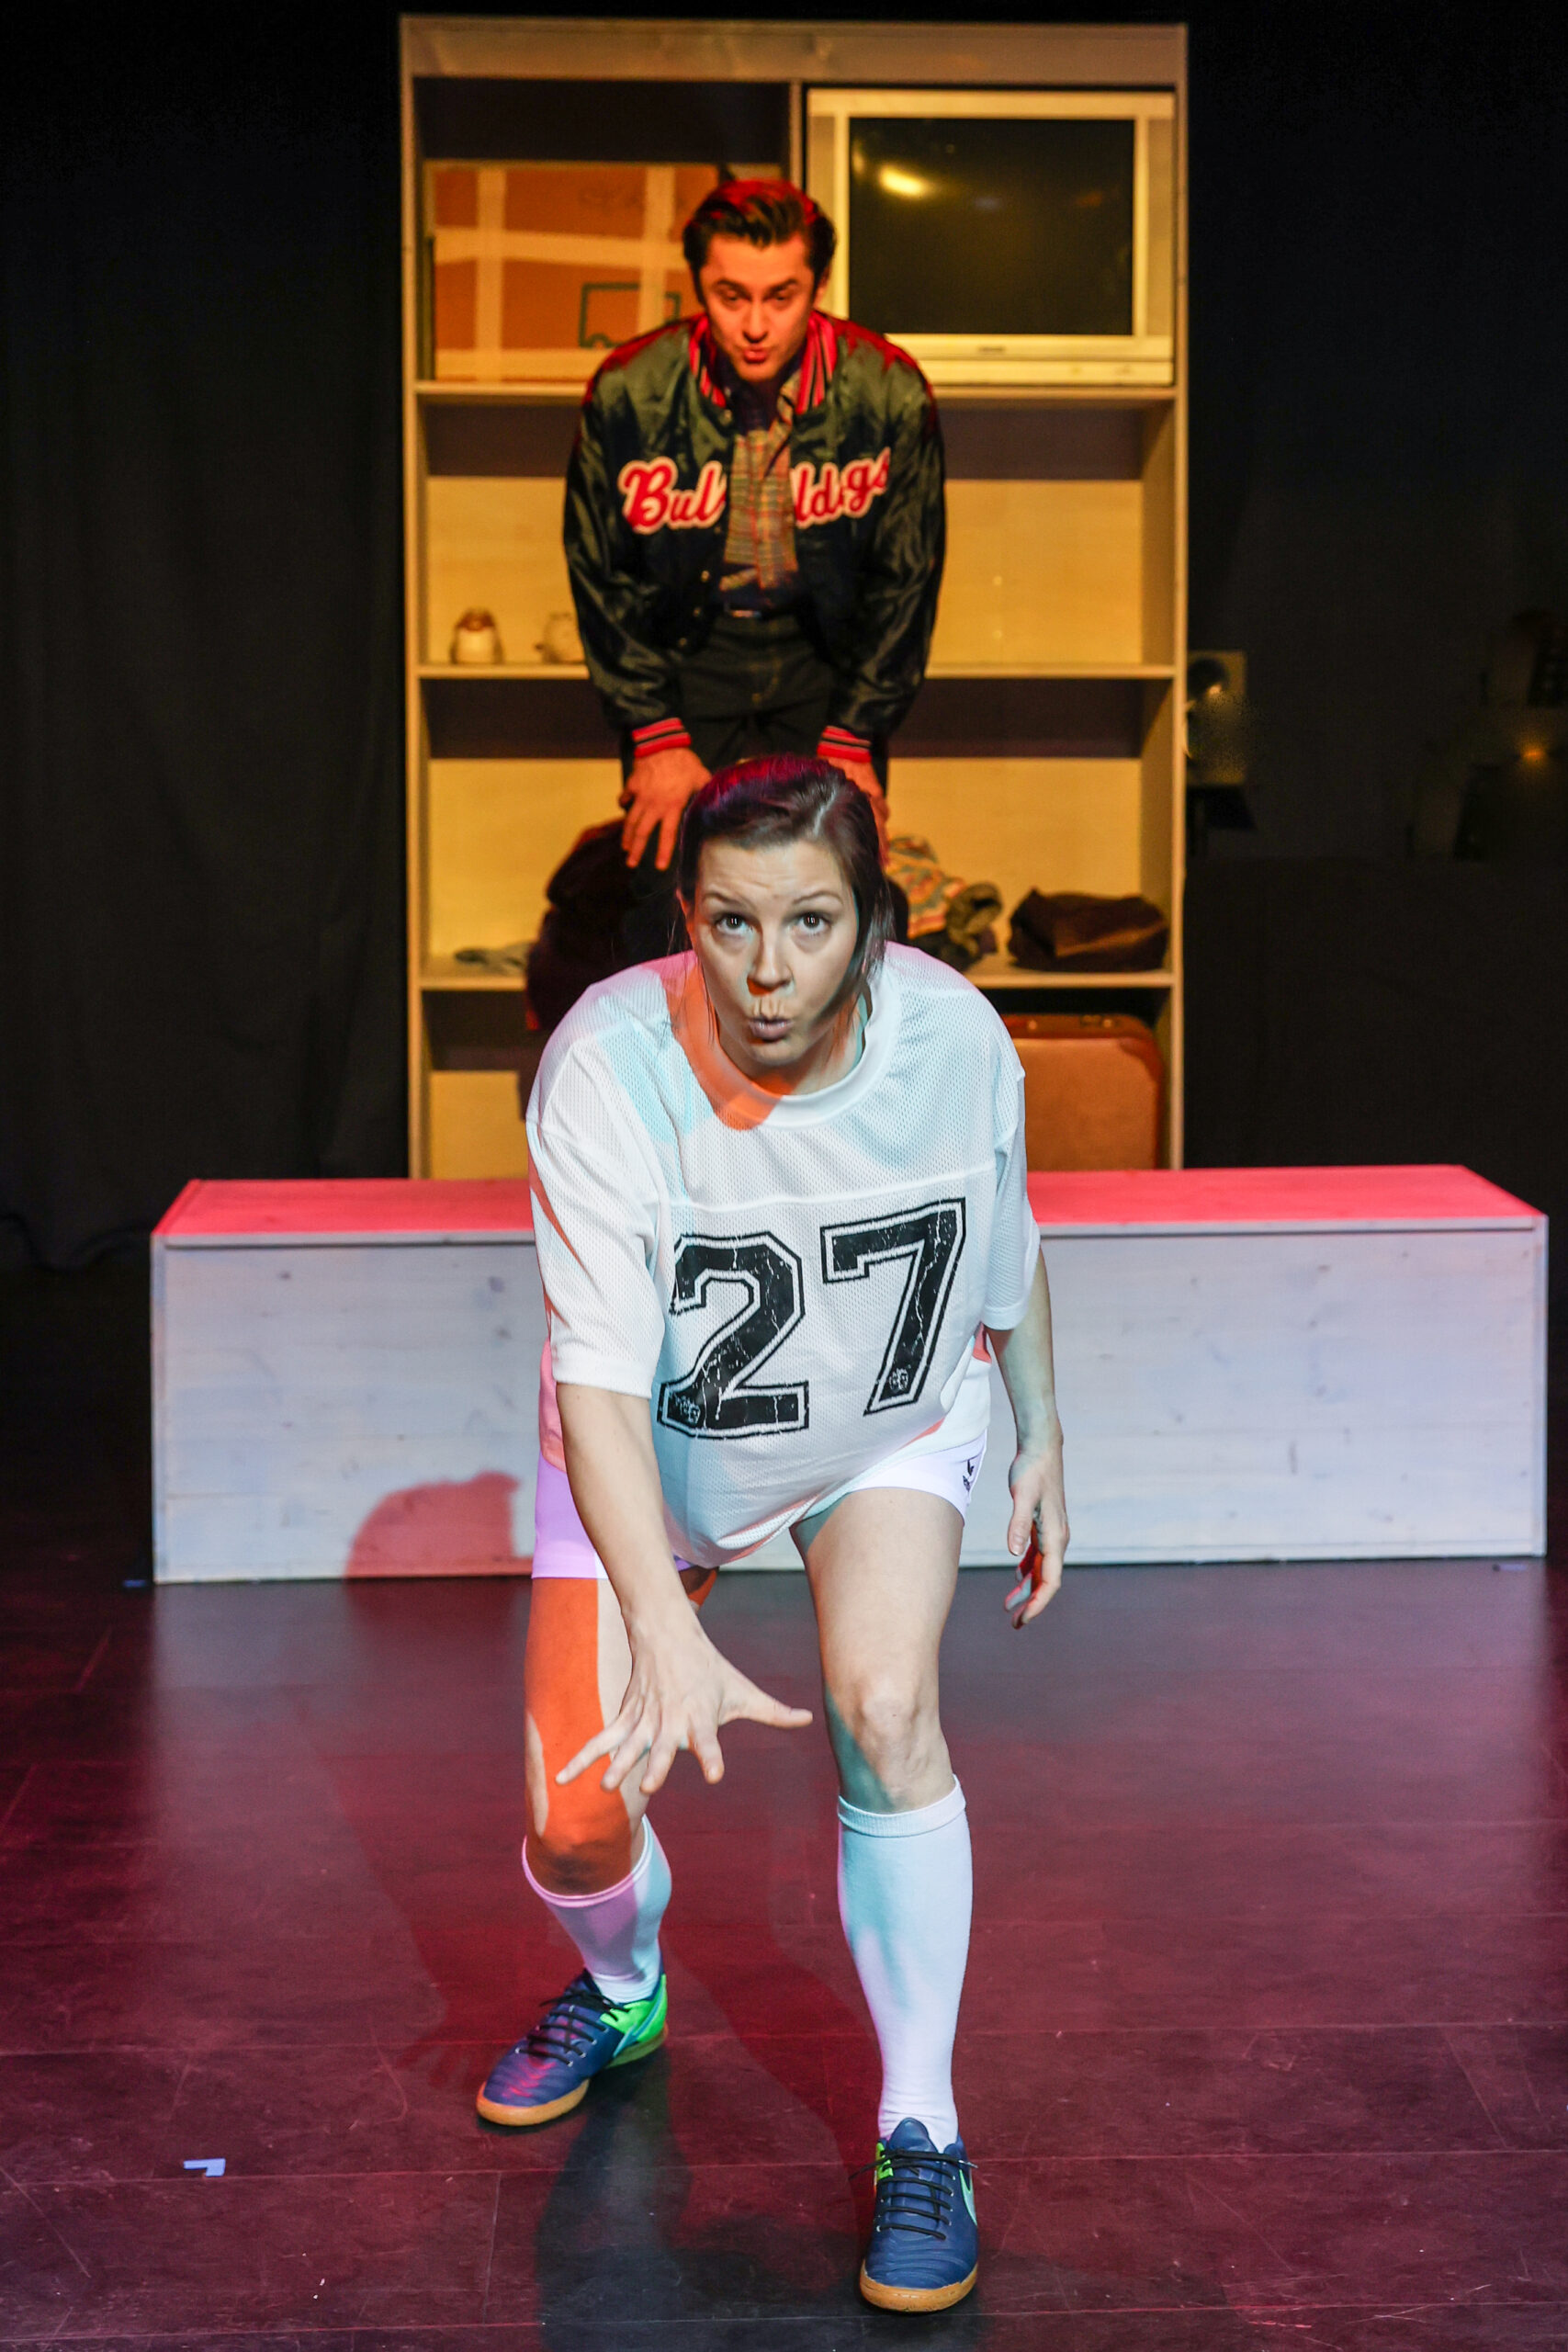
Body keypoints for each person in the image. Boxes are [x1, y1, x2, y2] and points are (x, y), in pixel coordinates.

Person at [478, 755, 1068, 2313]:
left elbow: (1005, 1241)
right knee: (574, 1827)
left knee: (887, 1709)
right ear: (684, 917)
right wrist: (661, 1629)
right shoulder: (605, 1067)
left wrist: (1044, 1436)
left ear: (872, 924)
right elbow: (598, 1389)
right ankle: (623, 1988)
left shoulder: (954, 1036)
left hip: (880, 1427)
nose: (766, 968)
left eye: (809, 922)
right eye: (730, 921)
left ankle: (921, 2130)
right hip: (655, 1456)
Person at [563, 178, 944, 963]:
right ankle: (681, 1051)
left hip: (823, 655)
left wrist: (857, 731)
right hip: (688, 655)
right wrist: (652, 733)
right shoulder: (631, 392)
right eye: (731, 296)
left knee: (843, 892)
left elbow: (904, 580)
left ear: (818, 285)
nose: (756, 325)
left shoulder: (887, 392)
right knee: (666, 895)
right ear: (698, 283)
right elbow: (602, 573)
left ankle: (835, 1051)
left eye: (781, 296)